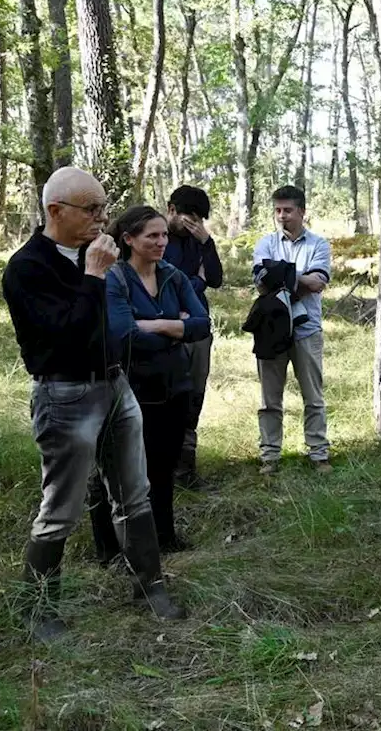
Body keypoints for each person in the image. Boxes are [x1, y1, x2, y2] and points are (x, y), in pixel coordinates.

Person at [2, 167, 185, 642]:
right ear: (55, 211)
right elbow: (62, 335)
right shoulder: (27, 268)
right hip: (64, 394)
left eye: (105, 208)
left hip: (114, 386)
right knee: (60, 506)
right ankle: (37, 609)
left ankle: (150, 587)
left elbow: (117, 322)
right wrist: (94, 277)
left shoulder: (92, 254)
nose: (102, 220)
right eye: (92, 210)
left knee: (134, 491)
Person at [102, 206, 211, 553]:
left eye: (164, 234)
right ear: (129, 239)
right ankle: (111, 548)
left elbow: (202, 324)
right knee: (122, 473)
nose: (162, 242)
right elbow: (125, 337)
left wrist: (156, 325)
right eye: (153, 236)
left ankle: (164, 538)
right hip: (132, 389)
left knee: (164, 469)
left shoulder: (173, 276)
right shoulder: (114, 278)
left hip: (175, 386)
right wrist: (177, 327)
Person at [252, 185, 333, 474]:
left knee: (313, 394)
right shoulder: (265, 244)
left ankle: (318, 453)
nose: (282, 216)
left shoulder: (319, 245)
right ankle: (270, 456)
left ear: (301, 211)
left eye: (287, 210)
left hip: (306, 329)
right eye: (277, 210)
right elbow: (261, 281)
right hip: (271, 329)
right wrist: (297, 276)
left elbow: (318, 283)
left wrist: (282, 273)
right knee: (269, 397)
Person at [164, 185, 223, 489]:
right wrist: (195, 283)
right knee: (164, 399)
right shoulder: (158, 237)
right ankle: (160, 470)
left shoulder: (200, 241)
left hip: (198, 330)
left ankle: (185, 471)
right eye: (188, 216)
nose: (192, 223)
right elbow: (164, 283)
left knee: (193, 398)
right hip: (165, 330)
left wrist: (208, 243)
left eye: (198, 219)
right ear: (171, 210)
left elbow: (215, 278)